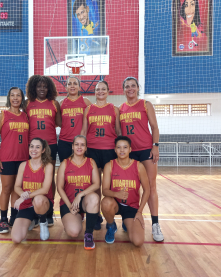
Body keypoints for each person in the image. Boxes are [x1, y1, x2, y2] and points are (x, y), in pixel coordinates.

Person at [119, 77, 164, 242]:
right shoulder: (120, 108)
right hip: (129, 153)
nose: (130, 88)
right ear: (123, 90)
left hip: (146, 150)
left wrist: (156, 145)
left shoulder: (146, 104)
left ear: (138, 88)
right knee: (132, 188)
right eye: (127, 86)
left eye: (133, 86)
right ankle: (131, 218)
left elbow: (154, 127)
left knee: (151, 186)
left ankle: (155, 224)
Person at [81, 80, 121, 230]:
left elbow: (118, 132)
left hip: (110, 149)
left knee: (110, 184)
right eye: (98, 89)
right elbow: (84, 131)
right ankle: (96, 214)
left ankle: (112, 215)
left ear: (108, 91)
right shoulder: (89, 109)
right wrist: (81, 148)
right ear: (94, 92)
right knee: (95, 184)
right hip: (92, 149)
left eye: (103, 89)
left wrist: (120, 150)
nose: (100, 92)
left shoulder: (114, 109)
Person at [101, 136, 150, 246]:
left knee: (137, 242)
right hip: (115, 204)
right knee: (106, 202)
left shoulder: (139, 166)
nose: (122, 150)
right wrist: (116, 194)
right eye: (119, 147)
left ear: (130, 149)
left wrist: (140, 212)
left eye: (125, 147)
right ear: (115, 150)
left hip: (131, 207)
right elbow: (104, 191)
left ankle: (126, 222)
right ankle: (111, 225)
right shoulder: (109, 165)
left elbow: (147, 190)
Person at [26, 75, 61, 226]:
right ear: (34, 87)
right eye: (39, 86)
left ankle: (49, 210)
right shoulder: (28, 103)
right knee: (34, 178)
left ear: (49, 88)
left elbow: (59, 123)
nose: (42, 89)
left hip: (51, 145)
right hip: (33, 147)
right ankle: (34, 210)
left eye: (45, 86)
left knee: (49, 178)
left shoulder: (54, 104)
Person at [0, 87, 28, 234]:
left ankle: (14, 217)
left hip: (23, 159)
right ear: (9, 98)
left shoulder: (26, 116)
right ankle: (3, 219)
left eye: (18, 95)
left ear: (22, 98)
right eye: (12, 95)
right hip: (7, 158)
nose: (15, 98)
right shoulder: (2, 116)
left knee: (17, 190)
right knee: (6, 189)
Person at [57, 135, 100, 249]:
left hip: (84, 202)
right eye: (76, 144)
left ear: (86, 148)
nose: (79, 147)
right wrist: (70, 205)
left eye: (82, 145)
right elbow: (59, 188)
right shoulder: (65, 163)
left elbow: (96, 184)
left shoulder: (91, 162)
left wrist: (80, 194)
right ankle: (75, 219)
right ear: (72, 146)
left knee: (94, 198)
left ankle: (89, 234)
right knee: (73, 232)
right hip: (69, 202)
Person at [11, 138, 54, 243]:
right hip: (27, 205)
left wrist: (25, 197)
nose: (34, 149)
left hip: (43, 204)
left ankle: (43, 222)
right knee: (16, 239)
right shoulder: (23, 165)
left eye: (37, 147)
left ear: (43, 150)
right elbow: (16, 186)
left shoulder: (48, 166)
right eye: (31, 146)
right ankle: (32, 220)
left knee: (38, 199)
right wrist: (23, 195)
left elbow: (45, 189)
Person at [58, 77, 92, 163]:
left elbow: (92, 120)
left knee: (81, 169)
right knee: (65, 168)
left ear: (79, 87)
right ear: (66, 87)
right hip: (64, 141)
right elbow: (58, 121)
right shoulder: (62, 103)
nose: (72, 86)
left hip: (80, 142)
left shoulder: (85, 101)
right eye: (69, 84)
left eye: (75, 83)